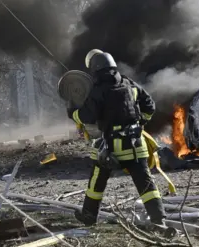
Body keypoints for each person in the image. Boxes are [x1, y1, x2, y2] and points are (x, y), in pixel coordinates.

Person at [68, 49, 166, 226]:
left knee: (97, 180)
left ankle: (89, 216)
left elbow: (87, 116)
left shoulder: (98, 90)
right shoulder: (129, 84)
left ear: (95, 68)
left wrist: (73, 112)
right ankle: (159, 221)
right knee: (146, 183)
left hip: (111, 147)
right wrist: (141, 121)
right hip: (137, 145)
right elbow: (149, 105)